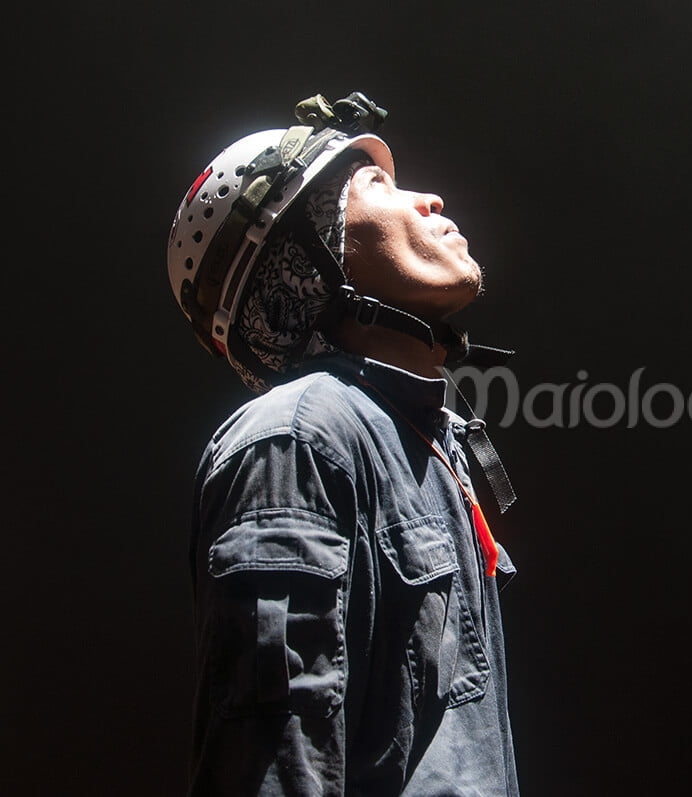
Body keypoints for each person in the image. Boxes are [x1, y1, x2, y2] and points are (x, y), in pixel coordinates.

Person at [166, 91, 520, 796]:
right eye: (379, 187)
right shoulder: (296, 440)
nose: (430, 199)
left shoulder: (419, 436)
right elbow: (273, 765)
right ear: (304, 264)